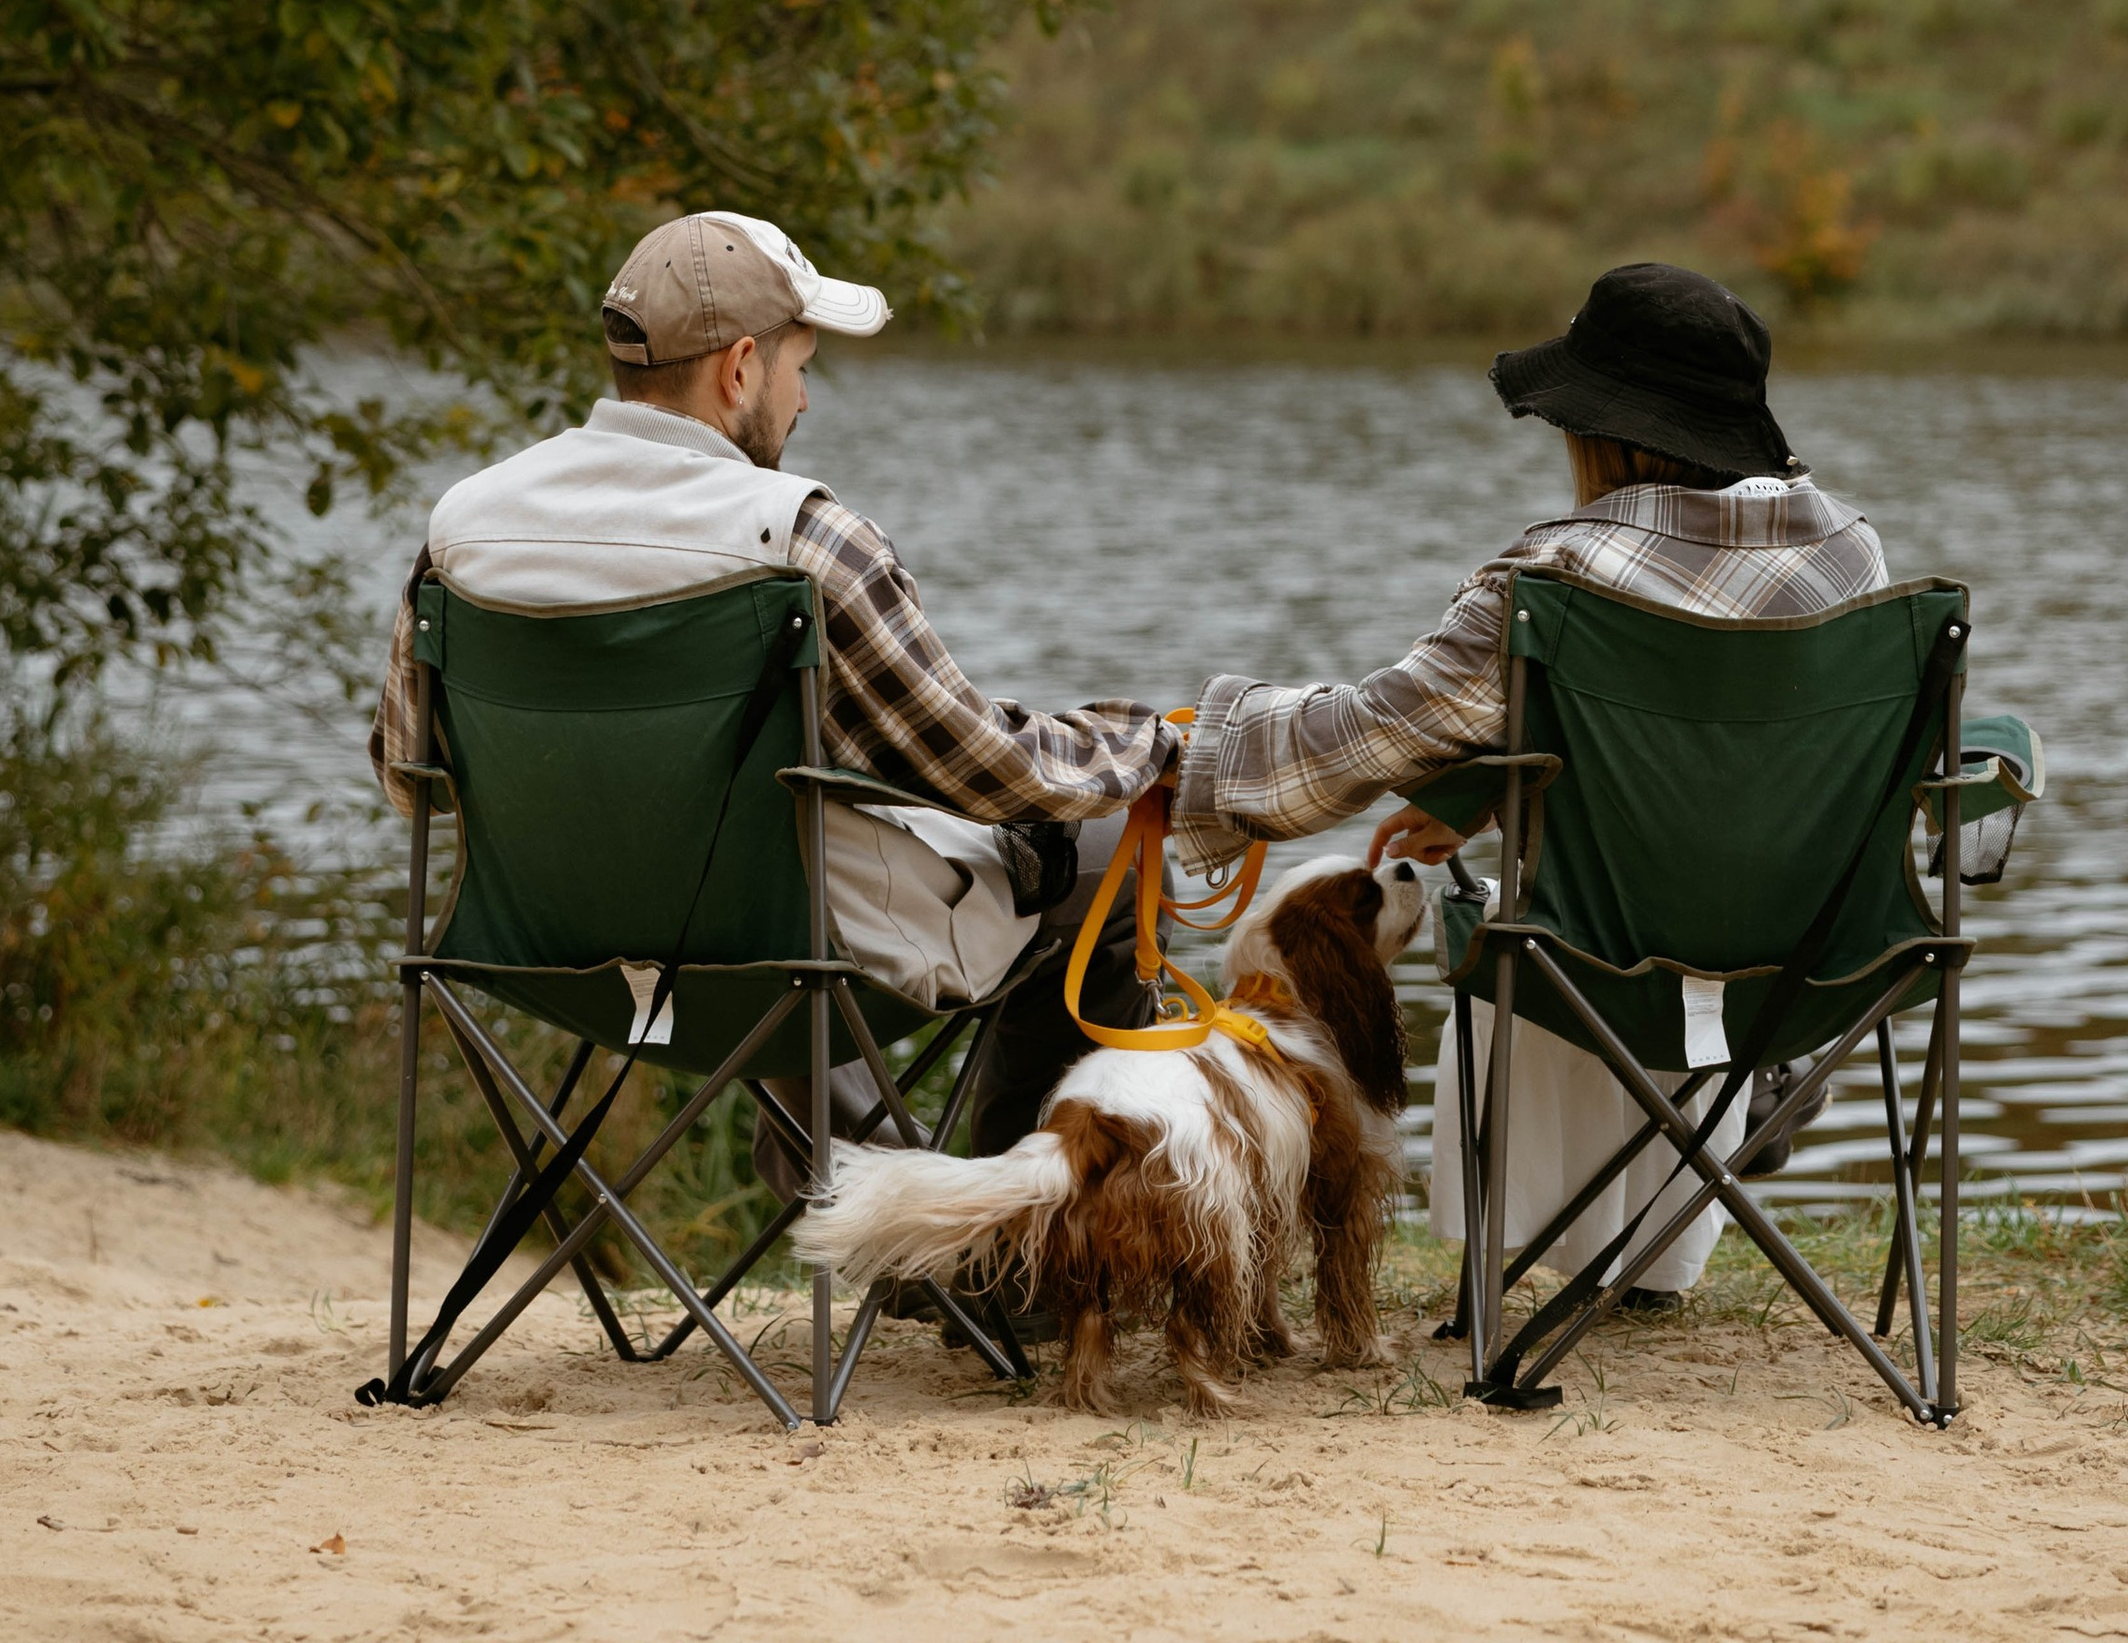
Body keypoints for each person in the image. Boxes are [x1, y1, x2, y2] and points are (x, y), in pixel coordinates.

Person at [368, 209, 1173, 1180]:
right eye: (801, 365)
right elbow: (994, 777)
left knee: (775, 838)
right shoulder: (802, 540)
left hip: (547, 963)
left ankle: (868, 1202)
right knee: (1101, 852)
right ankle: (1022, 1244)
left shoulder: (463, 531)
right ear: (739, 369)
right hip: (790, 966)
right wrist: (1146, 747)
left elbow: (410, 777)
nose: (803, 400)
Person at [1169, 260, 1891, 1305]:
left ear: (1611, 431)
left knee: (1530, 925)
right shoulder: (1853, 559)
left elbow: (1376, 735)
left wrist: (1192, 749)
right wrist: (1481, 792)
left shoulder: (1556, 580)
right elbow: (1708, 747)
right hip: (1816, 963)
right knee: (1645, 893)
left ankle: (1533, 1258)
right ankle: (1724, 1140)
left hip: (1595, 963)